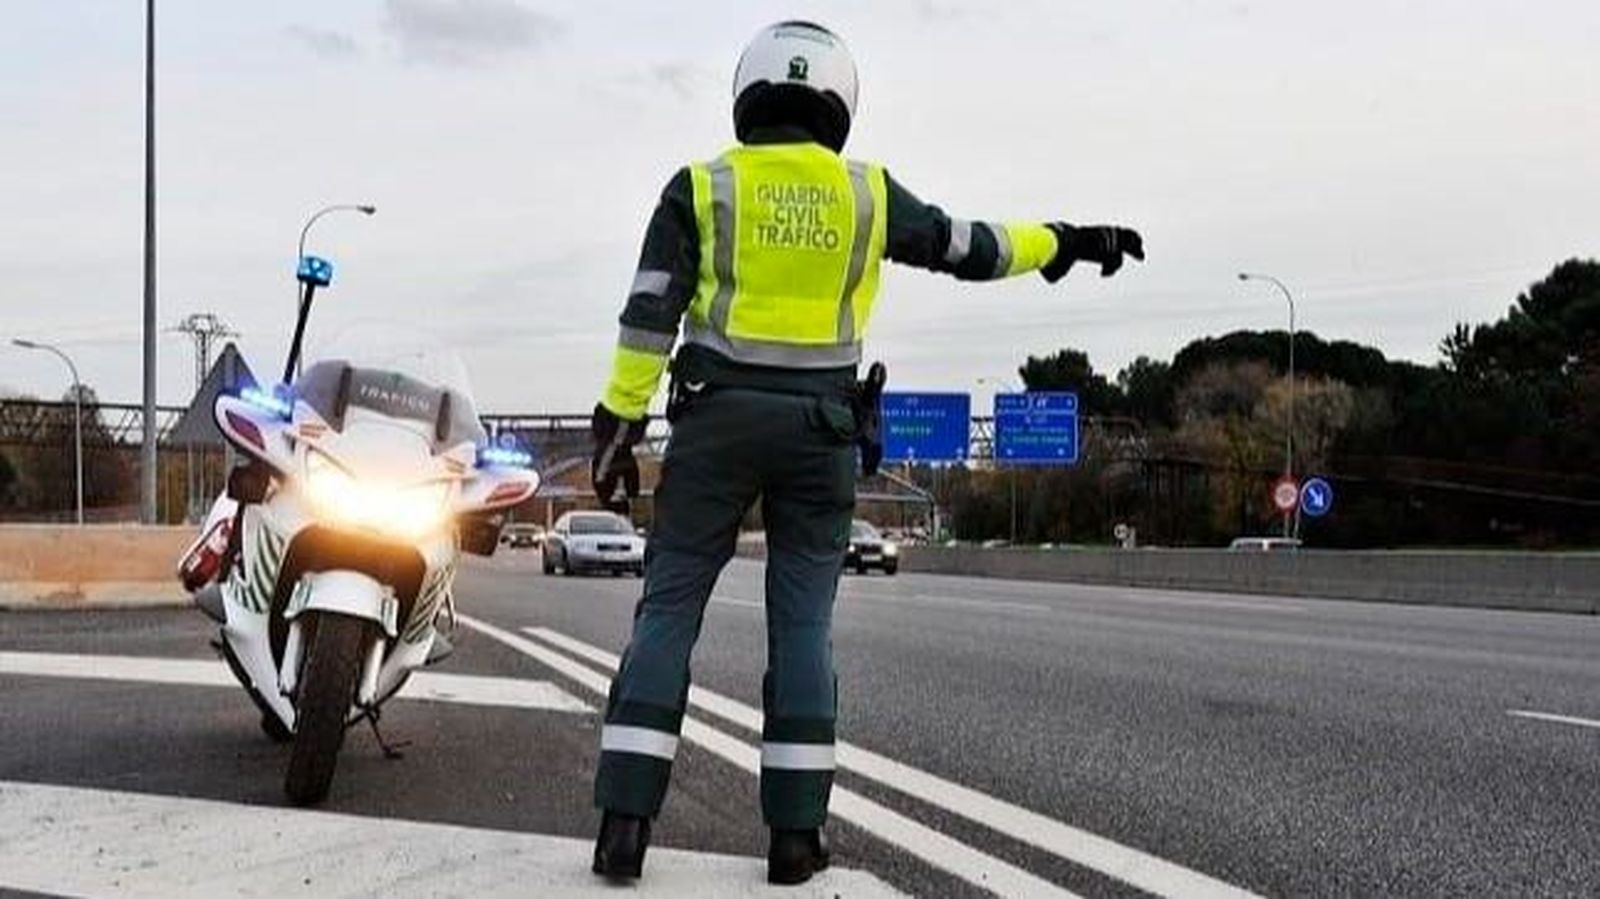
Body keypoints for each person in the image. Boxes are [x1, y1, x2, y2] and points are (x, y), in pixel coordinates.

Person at [587, 20, 1144, 885]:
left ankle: (625, 824)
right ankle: (795, 840)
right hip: (821, 436)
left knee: (667, 612)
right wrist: (1067, 240)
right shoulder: (867, 194)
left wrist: (617, 429)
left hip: (714, 427)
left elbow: (649, 312)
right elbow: (972, 246)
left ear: (749, 94)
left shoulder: (701, 187)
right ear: (839, 102)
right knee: (802, 628)